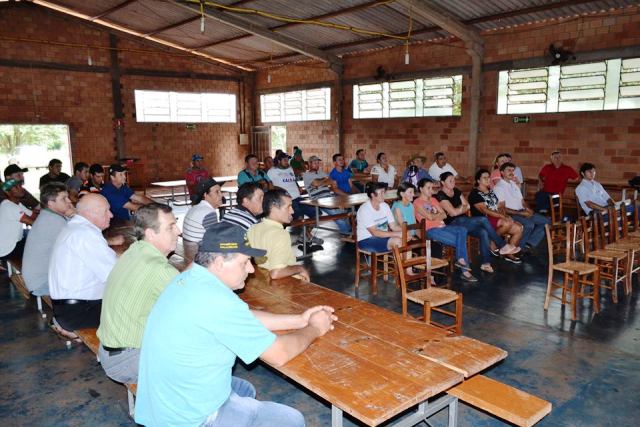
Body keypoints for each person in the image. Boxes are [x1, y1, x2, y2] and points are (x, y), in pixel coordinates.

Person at [135, 223, 336, 427]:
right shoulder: (216, 300)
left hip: (161, 402)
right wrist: (314, 328)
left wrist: (299, 319)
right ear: (221, 262)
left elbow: (243, 316)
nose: (251, 269)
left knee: (244, 389)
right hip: (189, 419)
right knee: (291, 420)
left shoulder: (191, 278)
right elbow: (279, 354)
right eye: (245, 262)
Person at [97, 203, 181, 384]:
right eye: (171, 227)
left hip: (110, 352)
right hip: (128, 359)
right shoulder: (160, 269)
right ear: (151, 233)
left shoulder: (134, 251)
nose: (178, 231)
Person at [48, 194, 117, 337]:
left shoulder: (74, 228)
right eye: (106, 211)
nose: (111, 215)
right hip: (80, 313)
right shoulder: (86, 234)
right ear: (91, 213)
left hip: (67, 308)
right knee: (139, 306)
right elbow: (116, 275)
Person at [437, 172, 519, 274]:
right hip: (453, 223)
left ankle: (485, 263)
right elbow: (453, 213)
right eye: (450, 180)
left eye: (454, 180)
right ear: (443, 182)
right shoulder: (440, 195)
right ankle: (502, 245)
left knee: (483, 232)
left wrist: (459, 209)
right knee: (483, 219)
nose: (453, 182)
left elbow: (467, 206)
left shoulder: (456, 191)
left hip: (465, 220)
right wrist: (460, 208)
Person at [414, 178, 477, 281]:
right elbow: (429, 217)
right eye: (428, 188)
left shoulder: (433, 200)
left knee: (462, 230)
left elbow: (444, 215)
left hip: (443, 227)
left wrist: (435, 216)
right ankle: (465, 272)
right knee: (460, 241)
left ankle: (461, 260)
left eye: (432, 188)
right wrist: (437, 215)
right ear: (421, 189)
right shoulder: (417, 202)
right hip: (431, 230)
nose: (431, 190)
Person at [22, 183, 74, 297]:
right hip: (42, 283)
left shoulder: (50, 215)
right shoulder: (54, 221)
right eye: (64, 199)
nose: (69, 201)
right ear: (51, 203)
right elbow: (79, 243)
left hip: (39, 279)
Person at [247, 188, 311, 281]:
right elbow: (276, 273)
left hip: (263, 280)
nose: (292, 211)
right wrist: (299, 268)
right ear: (274, 208)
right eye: (288, 207)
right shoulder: (280, 234)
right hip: (285, 283)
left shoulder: (253, 228)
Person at [468, 169, 523, 264]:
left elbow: (499, 206)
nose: (488, 179)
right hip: (483, 219)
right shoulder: (474, 194)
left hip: (495, 218)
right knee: (506, 223)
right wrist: (502, 216)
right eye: (484, 178)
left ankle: (508, 254)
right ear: (478, 181)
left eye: (488, 177)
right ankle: (493, 243)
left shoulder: (490, 191)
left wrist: (505, 215)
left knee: (519, 228)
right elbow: (484, 210)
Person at [494, 162, 550, 252]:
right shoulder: (499, 187)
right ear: (502, 172)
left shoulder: (513, 184)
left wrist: (528, 209)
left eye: (513, 170)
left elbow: (522, 201)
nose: (511, 172)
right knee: (529, 224)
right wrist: (521, 213)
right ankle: (520, 248)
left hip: (521, 211)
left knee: (547, 222)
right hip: (512, 214)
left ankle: (529, 243)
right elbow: (502, 209)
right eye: (509, 170)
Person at [302, 155, 351, 235]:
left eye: (318, 163)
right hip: (318, 199)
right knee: (338, 215)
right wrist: (324, 180)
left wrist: (321, 181)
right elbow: (316, 183)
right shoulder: (306, 175)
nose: (317, 165)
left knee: (345, 211)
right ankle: (348, 233)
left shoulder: (321, 172)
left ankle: (346, 233)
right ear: (309, 164)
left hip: (329, 197)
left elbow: (332, 182)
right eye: (315, 163)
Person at [267, 151, 316, 224]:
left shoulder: (290, 168)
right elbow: (270, 187)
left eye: (287, 160)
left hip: (298, 197)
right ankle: (304, 233)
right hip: (288, 200)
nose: (287, 162)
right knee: (299, 217)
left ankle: (307, 230)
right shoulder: (272, 171)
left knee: (316, 213)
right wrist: (281, 190)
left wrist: (298, 186)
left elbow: (293, 180)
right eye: (285, 160)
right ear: (279, 161)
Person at [356, 182, 403, 253]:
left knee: (405, 238)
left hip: (382, 237)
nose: (384, 195)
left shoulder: (385, 206)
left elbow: (393, 226)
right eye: (381, 193)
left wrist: (405, 231)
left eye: (384, 192)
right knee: (397, 241)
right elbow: (375, 232)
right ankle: (401, 264)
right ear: (372, 195)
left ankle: (406, 263)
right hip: (366, 240)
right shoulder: (365, 209)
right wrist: (397, 234)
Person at [0, 179, 37, 261]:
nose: (21, 188)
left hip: (14, 243)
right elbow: (33, 223)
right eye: (16, 187)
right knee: (40, 245)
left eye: (20, 186)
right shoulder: (8, 206)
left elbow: (33, 216)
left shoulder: (17, 204)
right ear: (8, 192)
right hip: (7, 249)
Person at [182, 178, 224, 244]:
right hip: (197, 251)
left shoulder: (195, 207)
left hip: (189, 247)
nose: (221, 195)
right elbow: (215, 240)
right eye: (217, 192)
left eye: (221, 192)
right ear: (205, 195)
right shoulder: (208, 212)